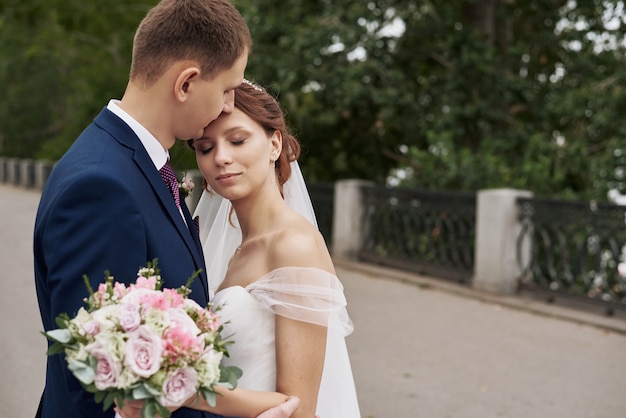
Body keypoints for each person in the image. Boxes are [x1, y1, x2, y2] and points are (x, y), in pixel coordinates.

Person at [33, 1, 299, 417]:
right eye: (227, 88)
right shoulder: (102, 185)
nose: (228, 104)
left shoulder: (132, 163)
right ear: (186, 83)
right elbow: (95, 383)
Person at [186, 79, 361, 417]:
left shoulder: (294, 244)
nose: (221, 157)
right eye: (205, 148)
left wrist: (182, 389)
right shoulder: (239, 247)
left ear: (274, 145)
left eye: (237, 140)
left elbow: (299, 408)